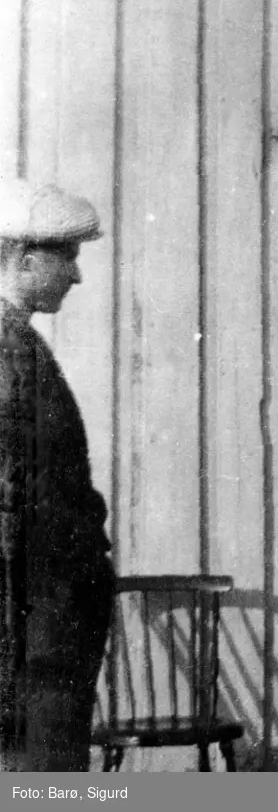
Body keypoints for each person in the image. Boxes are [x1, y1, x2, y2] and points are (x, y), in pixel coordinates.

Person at [0, 179, 115, 771]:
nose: (76, 275)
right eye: (65, 256)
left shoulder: (20, 345)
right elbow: (15, 507)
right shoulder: (10, 351)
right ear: (22, 260)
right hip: (35, 633)